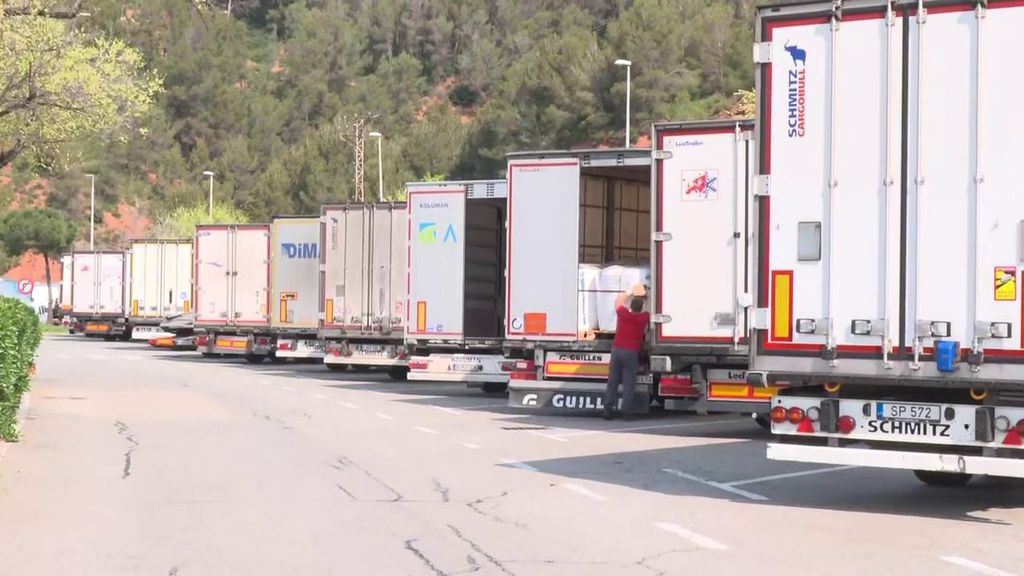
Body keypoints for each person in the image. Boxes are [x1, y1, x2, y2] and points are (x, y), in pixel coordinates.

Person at [603, 284, 650, 420]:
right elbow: (648, 311)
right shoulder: (643, 318)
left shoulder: (623, 314)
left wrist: (631, 290)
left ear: (631, 306)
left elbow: (618, 301)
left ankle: (607, 410)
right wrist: (646, 294)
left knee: (612, 382)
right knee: (628, 384)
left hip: (617, 350)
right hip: (631, 353)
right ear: (641, 308)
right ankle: (626, 413)